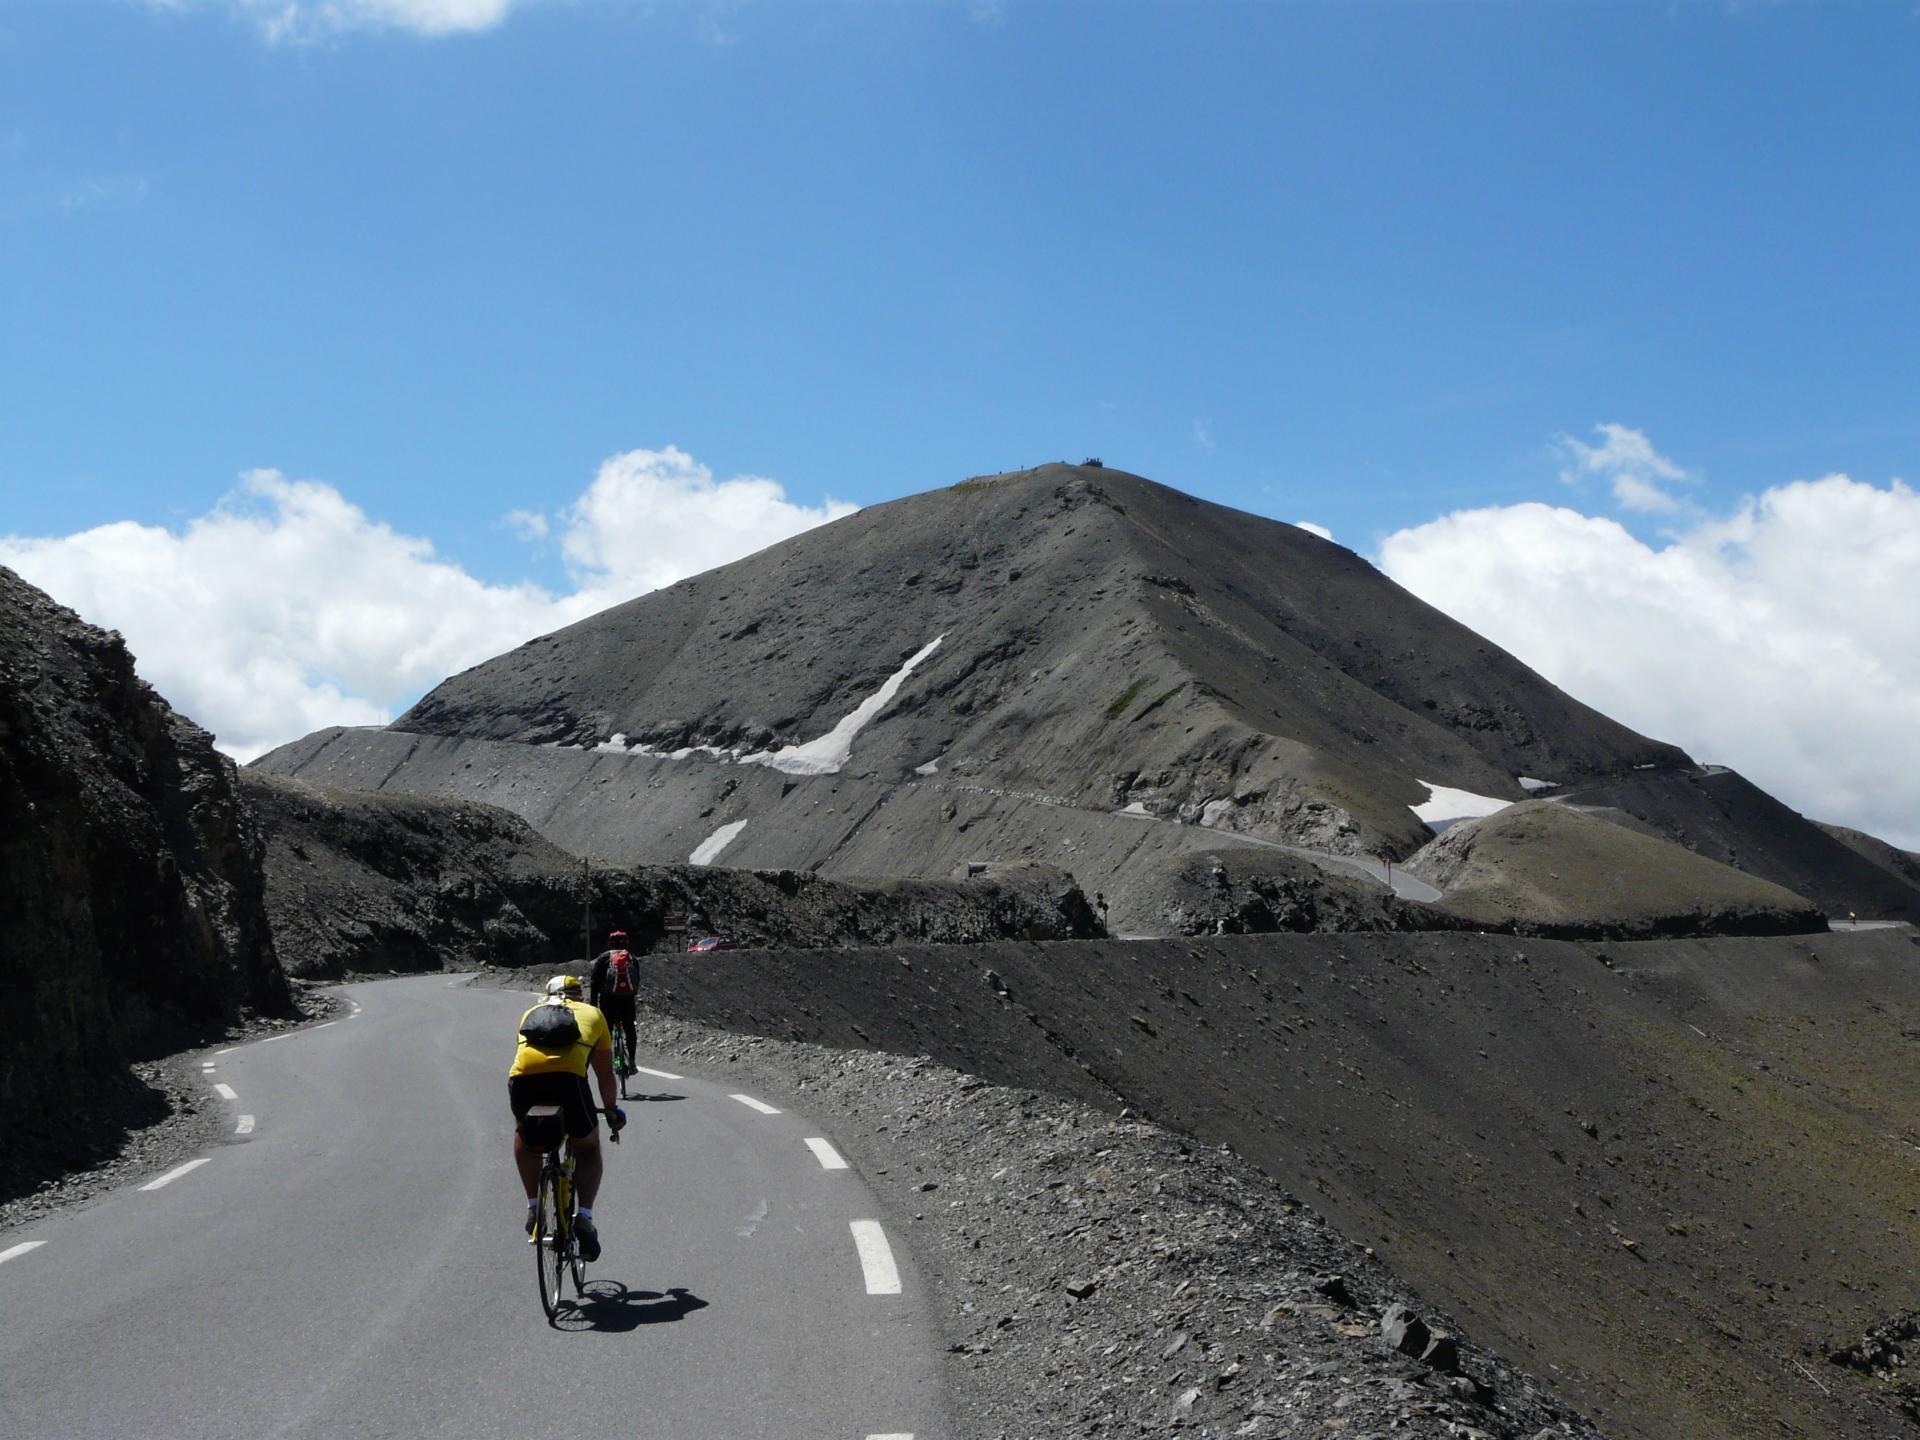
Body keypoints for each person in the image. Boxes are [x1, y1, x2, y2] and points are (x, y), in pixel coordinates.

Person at [509, 974, 624, 1260]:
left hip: (522, 1079)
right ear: (580, 996)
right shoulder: (594, 1015)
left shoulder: (531, 1013)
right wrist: (610, 1110)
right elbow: (605, 1073)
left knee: (525, 1135)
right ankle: (584, 1217)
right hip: (568, 1079)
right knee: (587, 1147)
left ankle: (534, 1206)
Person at [588, 929, 640, 1077]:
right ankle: (632, 1061)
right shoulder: (632, 958)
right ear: (627, 942)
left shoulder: (604, 958)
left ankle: (607, 1061)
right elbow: (637, 983)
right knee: (630, 1029)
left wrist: (593, 1005)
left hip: (608, 1001)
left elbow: (594, 982)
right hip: (627, 1000)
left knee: (606, 1032)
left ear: (610, 943)